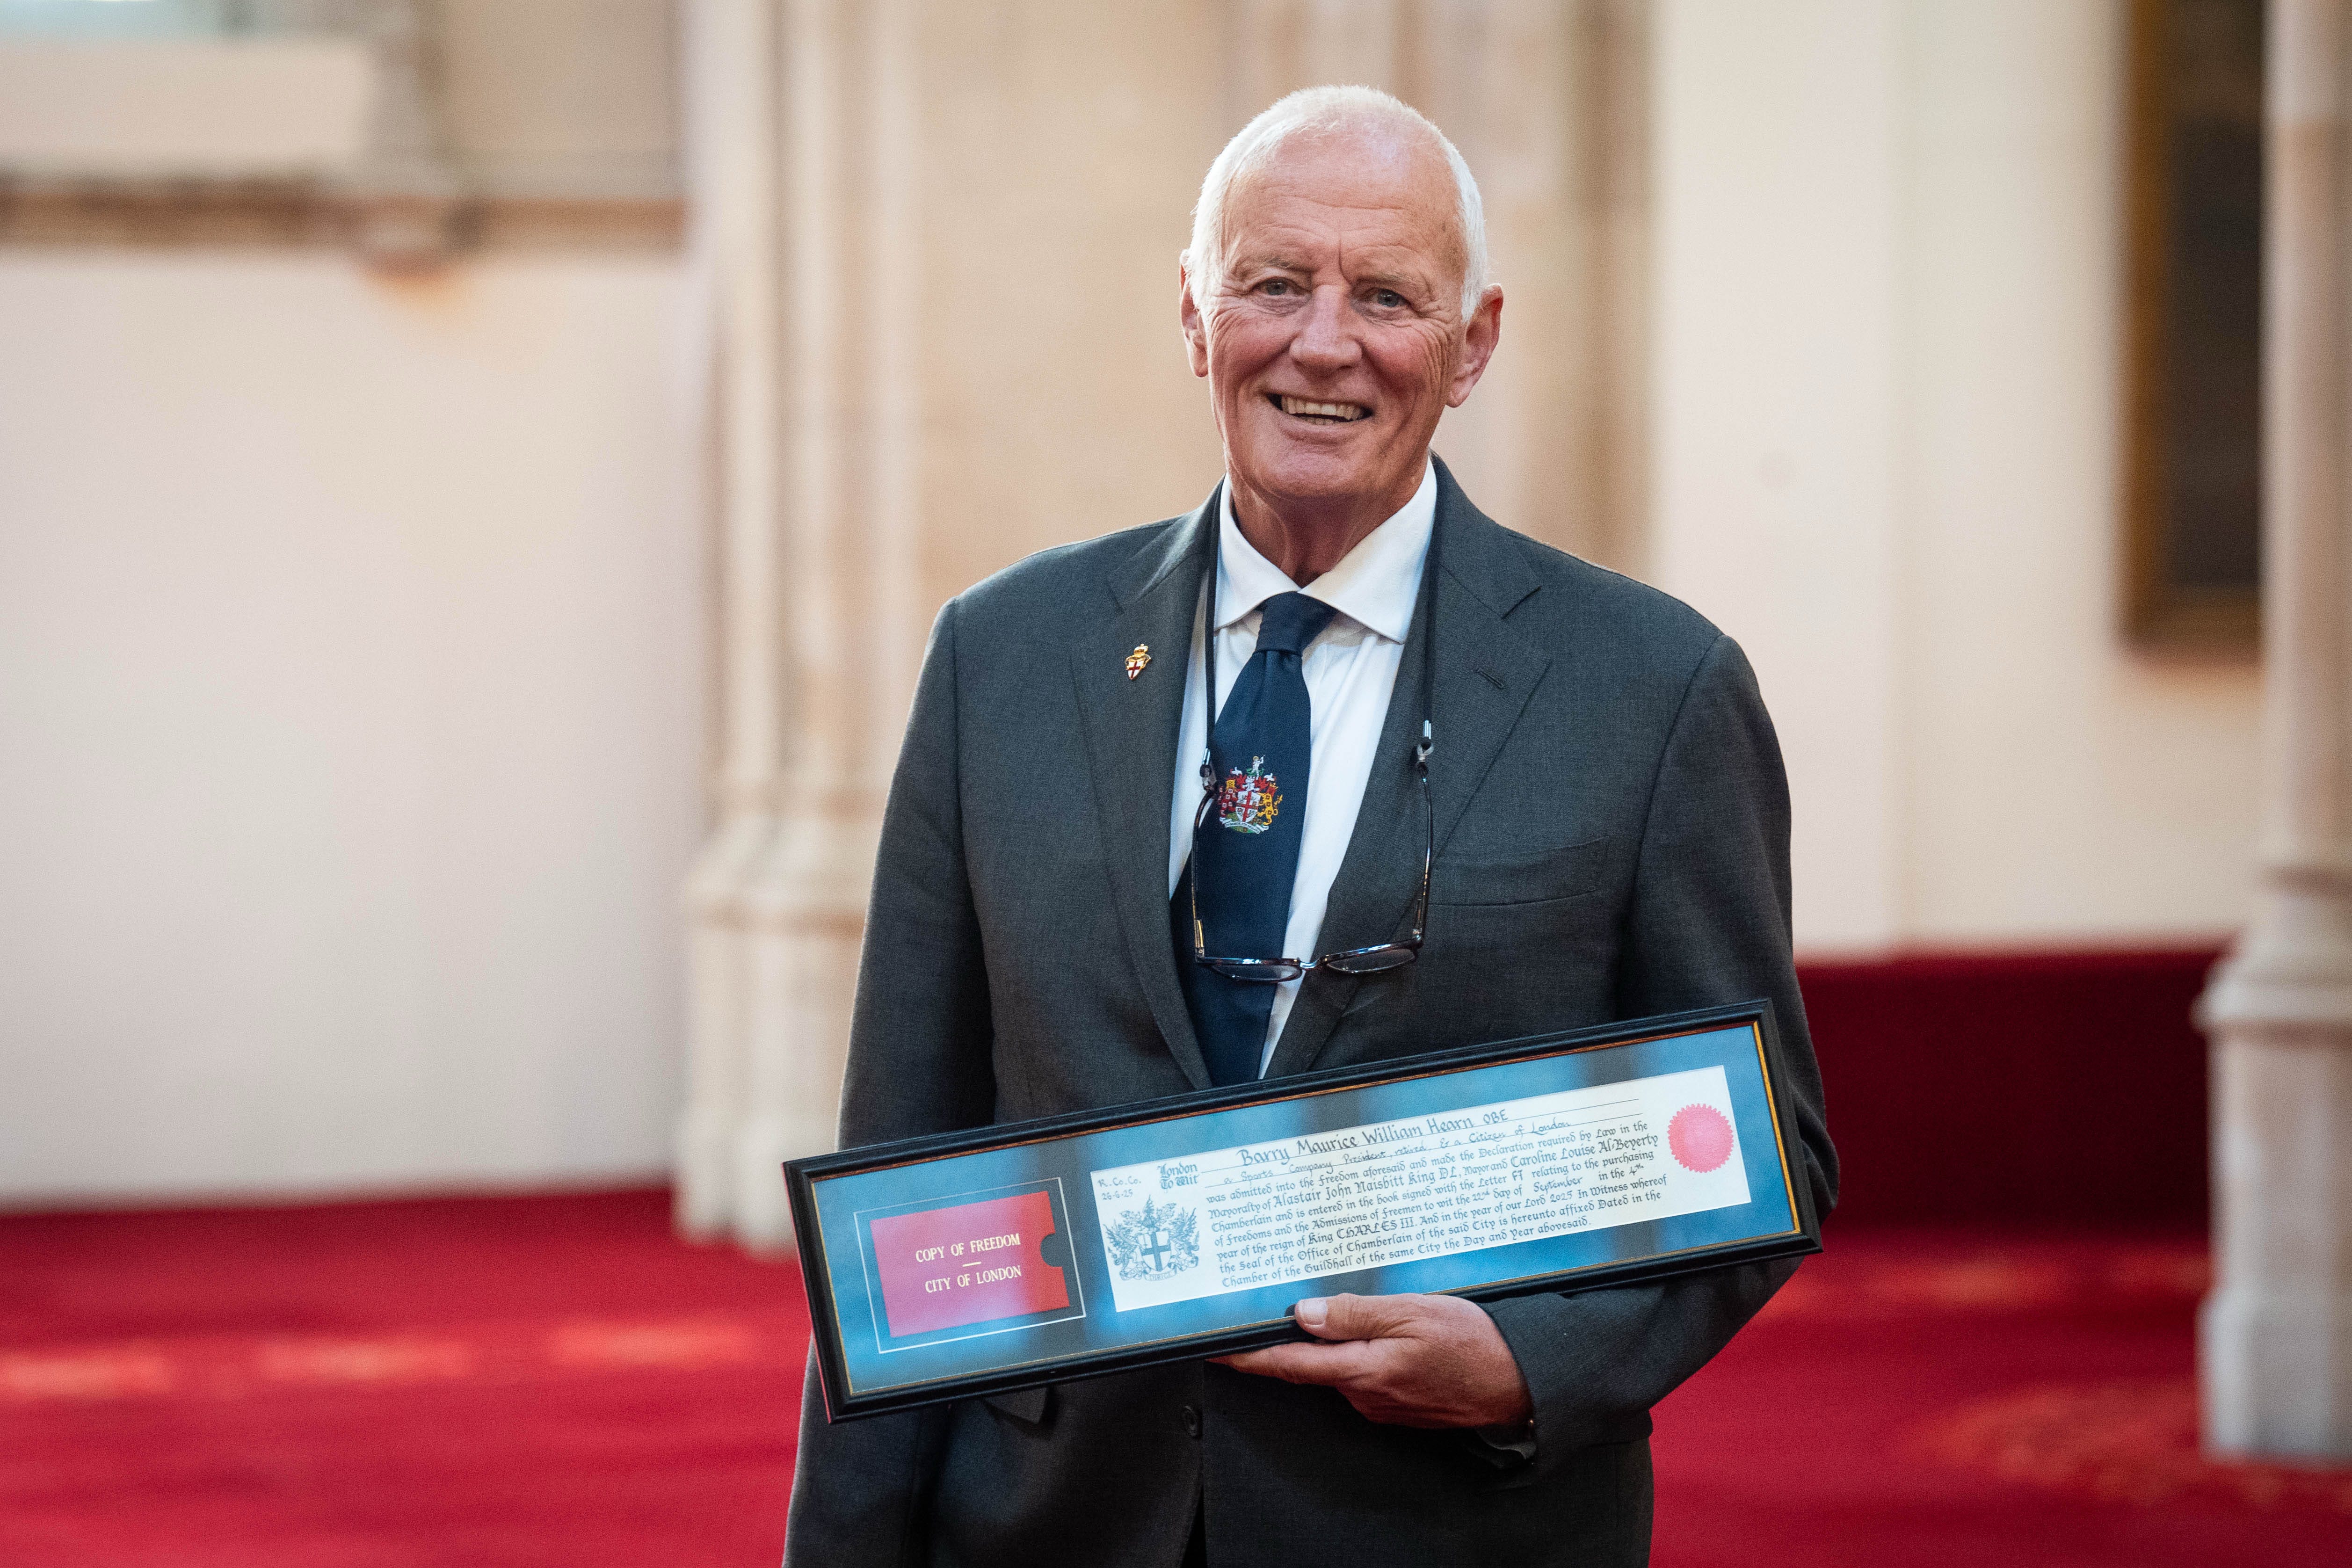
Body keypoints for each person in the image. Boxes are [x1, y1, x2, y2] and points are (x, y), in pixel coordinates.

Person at [784, 84, 1836, 1568]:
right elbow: (907, 1151)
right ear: (1195, 313)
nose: (1322, 341)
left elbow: (1764, 1144)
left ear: (1471, 345)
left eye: (1387, 296)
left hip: (1442, 1521)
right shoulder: (1003, 660)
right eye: (1273, 284)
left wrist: (1531, 1368)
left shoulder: (1649, 691)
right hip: (1048, 1517)